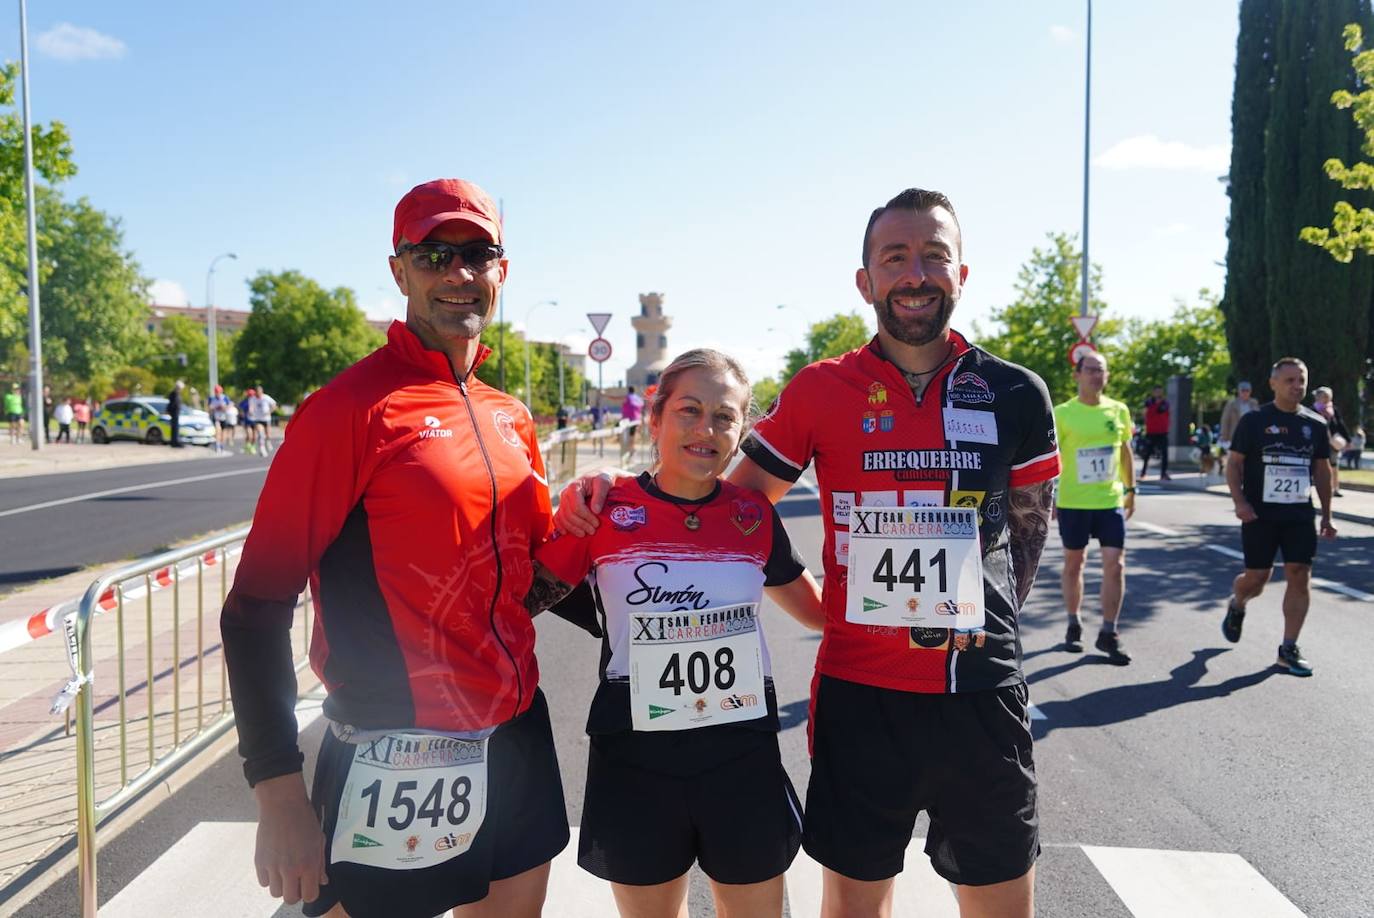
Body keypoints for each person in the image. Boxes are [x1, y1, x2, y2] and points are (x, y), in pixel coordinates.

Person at [558, 188, 1060, 918]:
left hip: (981, 690)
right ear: (866, 281)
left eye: (933, 256)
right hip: (862, 695)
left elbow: (1028, 532)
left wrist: (983, 619)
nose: (915, 273)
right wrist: (618, 494)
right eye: (896, 257)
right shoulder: (822, 389)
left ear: (961, 273)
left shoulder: (1016, 392)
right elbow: (725, 503)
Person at [220, 178, 569, 917]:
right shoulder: (348, 410)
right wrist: (277, 789)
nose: (457, 273)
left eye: (477, 253)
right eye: (435, 254)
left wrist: (592, 525)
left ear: (501, 269)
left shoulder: (511, 417)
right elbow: (254, 608)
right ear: (399, 270)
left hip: (514, 738)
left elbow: (525, 588)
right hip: (393, 749)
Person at [526, 348, 825, 918]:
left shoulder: (754, 515)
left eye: (725, 417)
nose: (706, 429)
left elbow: (818, 611)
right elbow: (516, 603)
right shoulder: (604, 508)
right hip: (637, 754)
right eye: (689, 411)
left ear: (740, 433)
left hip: (739, 752)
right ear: (655, 418)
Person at [1221, 358, 1337, 677]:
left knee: (1299, 573)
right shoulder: (1254, 421)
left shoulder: (1315, 424)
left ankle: (1288, 648)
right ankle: (1238, 602)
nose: (1296, 386)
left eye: (1301, 380)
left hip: (1299, 514)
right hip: (1260, 514)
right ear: (1273, 384)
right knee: (1257, 578)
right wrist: (1240, 502)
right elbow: (1233, 465)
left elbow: (1322, 472)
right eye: (1289, 380)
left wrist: (1326, 515)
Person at [1053, 351, 1135, 665]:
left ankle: (1109, 632)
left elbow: (1125, 450)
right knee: (1075, 564)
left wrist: (1131, 488)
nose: (1097, 376)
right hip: (1074, 501)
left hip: (1109, 500)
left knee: (1116, 565)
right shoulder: (1063, 413)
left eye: (1101, 371)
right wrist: (1050, 495)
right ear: (1077, 375)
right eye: (1090, 370)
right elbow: (1052, 458)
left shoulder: (1118, 410)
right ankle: (1074, 623)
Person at [1310, 387, 1350, 497]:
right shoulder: (1312, 410)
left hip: (1331, 442)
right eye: (1324, 396)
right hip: (1316, 441)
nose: (1327, 399)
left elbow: (1340, 424)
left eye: (1329, 396)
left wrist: (1348, 440)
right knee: (1315, 465)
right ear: (1317, 397)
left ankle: (1335, 488)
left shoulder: (1333, 410)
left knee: (1334, 465)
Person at [1140, 384, 1171, 479]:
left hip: (1162, 431)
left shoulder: (1165, 403)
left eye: (1160, 391)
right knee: (1147, 453)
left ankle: (1163, 473)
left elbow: (1164, 412)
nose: (1158, 393)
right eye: (1156, 391)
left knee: (1164, 453)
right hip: (1151, 431)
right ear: (1153, 392)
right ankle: (1143, 472)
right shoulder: (1148, 402)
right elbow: (1144, 414)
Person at [1219, 381, 1258, 452]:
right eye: (1243, 390)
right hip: (1235, 435)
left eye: (1247, 391)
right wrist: (1224, 435)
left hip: (1251, 435)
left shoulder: (1254, 403)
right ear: (1239, 391)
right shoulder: (1231, 404)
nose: (1245, 393)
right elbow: (1225, 421)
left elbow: (1258, 419)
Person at [247, 386, 278, 456]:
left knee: (268, 435)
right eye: (257, 393)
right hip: (258, 419)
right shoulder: (252, 399)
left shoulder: (266, 397)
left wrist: (270, 411)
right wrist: (251, 411)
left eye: (259, 392)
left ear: (262, 392)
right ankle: (262, 448)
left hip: (266, 419)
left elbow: (274, 405)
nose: (258, 394)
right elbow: (251, 407)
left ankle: (268, 442)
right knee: (261, 434)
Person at [208, 385, 233, 455]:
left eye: (218, 392)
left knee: (223, 433)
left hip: (224, 417)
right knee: (218, 431)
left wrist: (224, 407)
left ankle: (222, 445)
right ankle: (217, 445)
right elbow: (209, 408)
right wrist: (214, 408)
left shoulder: (225, 397)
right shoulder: (212, 398)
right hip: (216, 417)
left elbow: (230, 405)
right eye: (216, 392)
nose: (217, 393)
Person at [620, 385, 644, 454]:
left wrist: (606, 395)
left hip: (629, 420)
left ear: (628, 390)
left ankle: (632, 449)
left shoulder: (628, 397)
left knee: (630, 435)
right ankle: (632, 449)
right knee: (632, 435)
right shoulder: (638, 398)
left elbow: (617, 398)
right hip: (637, 419)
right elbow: (642, 407)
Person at [167, 379, 185, 448]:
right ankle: (174, 441)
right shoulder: (173, 394)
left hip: (176, 413)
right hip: (174, 413)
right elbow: (172, 404)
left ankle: (175, 441)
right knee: (175, 427)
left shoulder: (176, 394)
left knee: (175, 427)